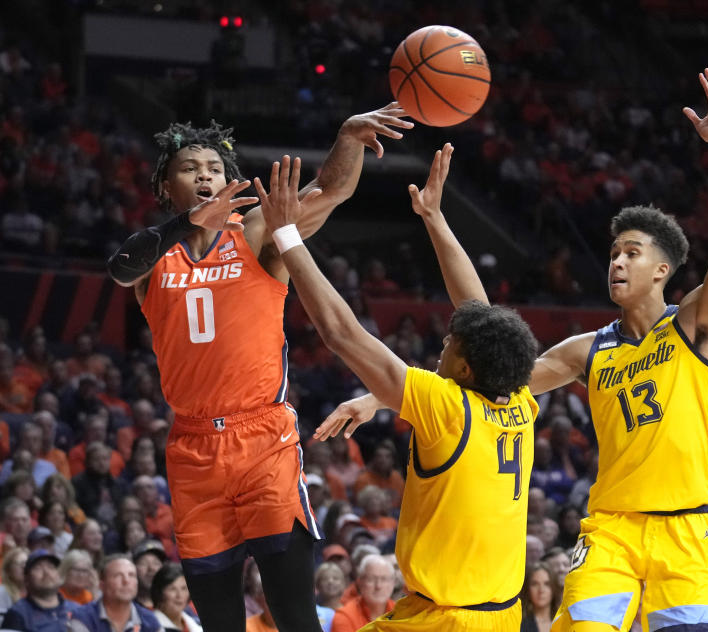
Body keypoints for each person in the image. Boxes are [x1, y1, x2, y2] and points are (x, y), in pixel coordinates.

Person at [105, 105, 412, 632]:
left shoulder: (253, 232)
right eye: (189, 166)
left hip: (262, 439)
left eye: (214, 167)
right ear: (165, 185)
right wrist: (184, 226)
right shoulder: (155, 255)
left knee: (294, 615)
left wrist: (347, 138)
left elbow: (329, 192)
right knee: (221, 623)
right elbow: (119, 270)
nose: (205, 174)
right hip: (192, 451)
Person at [521, 69, 708, 631]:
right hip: (612, 531)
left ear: (662, 271)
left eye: (631, 253)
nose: (617, 263)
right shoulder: (588, 350)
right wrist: (385, 397)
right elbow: (497, 381)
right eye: (613, 254)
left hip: (691, 531)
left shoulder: (694, 327)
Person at [266, 143, 538, 629]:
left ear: (469, 369)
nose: (444, 342)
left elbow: (343, 334)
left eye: (451, 343)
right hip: (493, 613)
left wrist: (285, 233)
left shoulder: (447, 407)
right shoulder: (518, 398)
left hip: (450, 620)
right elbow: (479, 311)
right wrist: (434, 217)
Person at [70, 554, 161, 632]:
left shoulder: (150, 620)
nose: (126, 581)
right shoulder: (82, 618)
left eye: (131, 575)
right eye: (118, 575)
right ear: (102, 585)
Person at [0, 548, 79, 631]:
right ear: (27, 579)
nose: (47, 573)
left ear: (59, 575)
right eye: (38, 568)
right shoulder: (18, 614)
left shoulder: (75, 609)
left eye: (51, 567)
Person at [331, 555, 396, 632]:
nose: (378, 586)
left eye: (384, 579)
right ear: (359, 582)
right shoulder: (344, 616)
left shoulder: (402, 613)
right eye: (371, 579)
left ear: (393, 583)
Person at [151, 563, 202, 632]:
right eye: (172, 589)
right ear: (159, 592)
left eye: (184, 588)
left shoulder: (196, 623)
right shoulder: (150, 626)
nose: (179, 595)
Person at [520, 562, 561, 632]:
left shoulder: (564, 621)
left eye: (547, 584)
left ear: (554, 587)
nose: (541, 590)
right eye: (535, 584)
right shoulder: (520, 624)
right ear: (527, 588)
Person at [132, 539, 166, 609]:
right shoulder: (127, 607)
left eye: (156, 563)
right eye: (144, 563)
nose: (151, 569)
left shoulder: (177, 604)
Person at [315, 562, 347, 632]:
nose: (330, 581)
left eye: (335, 578)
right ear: (317, 584)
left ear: (343, 583)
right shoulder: (313, 612)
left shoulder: (350, 612)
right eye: (325, 579)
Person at [0, 546, 27, 615]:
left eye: (27, 563)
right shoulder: (1, 593)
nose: (24, 567)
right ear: (8, 571)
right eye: (20, 564)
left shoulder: (40, 593)